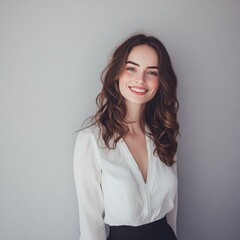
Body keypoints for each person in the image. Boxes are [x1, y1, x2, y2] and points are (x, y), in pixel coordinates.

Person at [73, 33, 179, 240]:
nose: (140, 79)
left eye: (151, 72)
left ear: (160, 81)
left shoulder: (165, 135)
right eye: (131, 68)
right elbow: (90, 224)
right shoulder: (92, 141)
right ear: (117, 73)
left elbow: (173, 214)